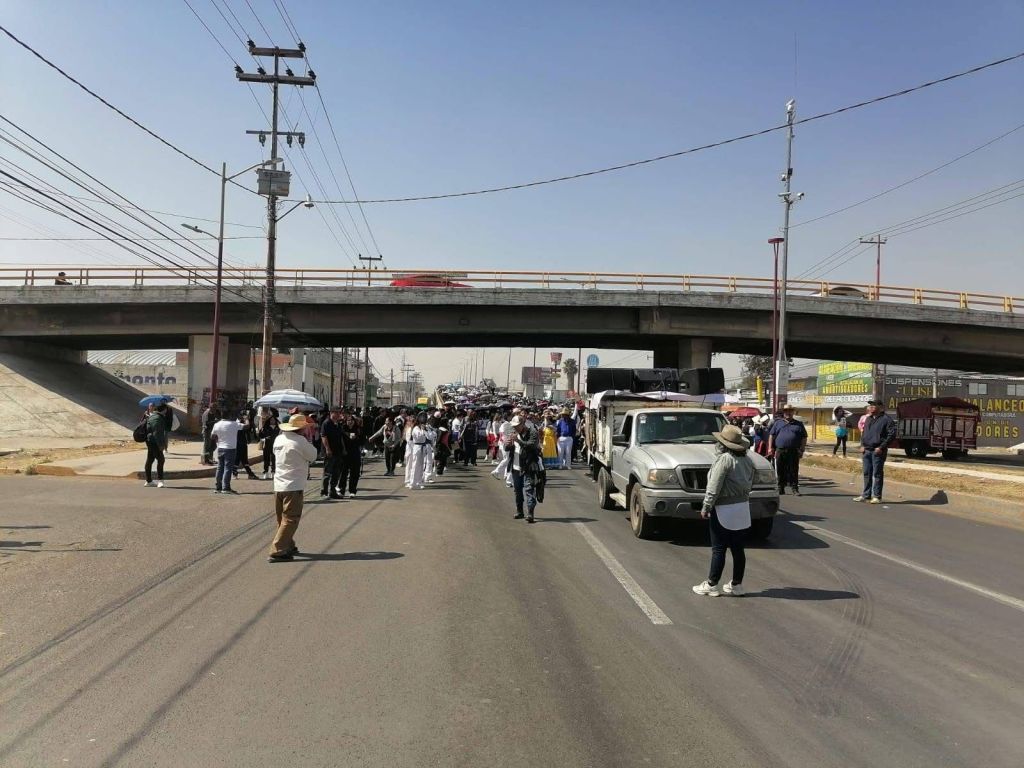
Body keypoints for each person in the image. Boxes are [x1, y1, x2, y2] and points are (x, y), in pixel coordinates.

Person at [693, 424, 755, 597]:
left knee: (718, 548)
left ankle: (712, 584)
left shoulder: (724, 459)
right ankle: (737, 584)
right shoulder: (748, 460)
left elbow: (714, 486)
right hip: (742, 508)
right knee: (738, 548)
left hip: (724, 508)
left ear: (723, 444)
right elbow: (751, 482)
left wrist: (706, 506)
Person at [268, 413, 319, 562]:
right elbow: (313, 456)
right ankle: (278, 549)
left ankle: (288, 544)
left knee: (282, 518)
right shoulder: (300, 441)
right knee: (291, 518)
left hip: (279, 484)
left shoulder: (279, 439)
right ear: (301, 428)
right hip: (293, 485)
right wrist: (309, 441)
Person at [855, 398, 898, 504]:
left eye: (874, 405)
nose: (871, 407)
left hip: (877, 451)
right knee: (866, 473)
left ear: (880, 407)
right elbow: (864, 433)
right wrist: (862, 445)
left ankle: (877, 496)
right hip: (866, 450)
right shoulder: (868, 418)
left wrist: (881, 447)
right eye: (870, 406)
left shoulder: (886, 419)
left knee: (877, 474)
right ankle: (866, 495)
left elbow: (891, 434)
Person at [767, 404, 807, 495]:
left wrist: (802, 449)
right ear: (784, 412)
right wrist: (770, 448)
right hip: (780, 450)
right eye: (786, 411)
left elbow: (804, 437)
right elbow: (771, 435)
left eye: (790, 411)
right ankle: (781, 488)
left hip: (793, 451)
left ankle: (794, 489)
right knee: (780, 470)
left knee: (793, 470)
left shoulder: (799, 424)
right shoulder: (778, 423)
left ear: (793, 412)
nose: (788, 413)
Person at [509, 416, 541, 522]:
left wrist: (518, 440)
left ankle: (530, 514)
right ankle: (520, 511)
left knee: (529, 489)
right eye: (514, 426)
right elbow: (508, 448)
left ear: (523, 424)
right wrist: (508, 444)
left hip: (528, 466)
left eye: (517, 426)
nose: (515, 428)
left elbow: (531, 445)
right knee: (517, 490)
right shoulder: (514, 434)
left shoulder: (532, 432)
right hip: (515, 466)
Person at [211, 411, 242, 494]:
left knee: (220, 468)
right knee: (228, 468)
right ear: (229, 415)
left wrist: (218, 441)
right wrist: (246, 419)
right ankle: (226, 488)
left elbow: (212, 436)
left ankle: (218, 487)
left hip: (220, 448)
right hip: (230, 448)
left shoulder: (217, 424)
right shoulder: (233, 424)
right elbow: (246, 426)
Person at [320, 406, 346, 499]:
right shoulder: (326, 423)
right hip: (330, 452)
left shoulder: (338, 424)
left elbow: (340, 437)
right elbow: (324, 436)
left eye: (340, 413)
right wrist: (327, 449)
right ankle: (324, 491)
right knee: (327, 472)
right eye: (337, 412)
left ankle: (332, 491)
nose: (339, 414)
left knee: (336, 472)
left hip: (338, 451)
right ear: (332, 413)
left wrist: (343, 449)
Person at [338, 412, 364, 497]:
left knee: (355, 473)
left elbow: (362, 441)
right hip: (345, 454)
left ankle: (352, 491)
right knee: (343, 473)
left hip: (355, 453)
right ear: (346, 421)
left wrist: (356, 438)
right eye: (348, 420)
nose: (350, 422)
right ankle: (341, 490)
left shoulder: (358, 429)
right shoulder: (342, 429)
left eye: (352, 420)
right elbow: (339, 441)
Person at [143, 403, 169, 487]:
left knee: (150, 460)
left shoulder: (154, 416)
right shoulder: (157, 418)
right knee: (161, 460)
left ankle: (148, 481)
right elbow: (157, 433)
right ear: (164, 409)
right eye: (166, 409)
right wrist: (161, 445)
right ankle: (160, 481)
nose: (166, 411)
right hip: (154, 442)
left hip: (150, 441)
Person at [407, 413, 430, 489]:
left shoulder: (423, 428)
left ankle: (419, 482)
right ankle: (412, 483)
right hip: (417, 447)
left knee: (421, 466)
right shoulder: (416, 428)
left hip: (423, 447)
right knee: (415, 465)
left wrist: (425, 430)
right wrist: (423, 430)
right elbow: (419, 436)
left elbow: (429, 436)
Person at [233, 413, 259, 480]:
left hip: (242, 442)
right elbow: (247, 426)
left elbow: (248, 430)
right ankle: (236, 473)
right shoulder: (236, 423)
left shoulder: (238, 422)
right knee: (238, 458)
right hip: (238, 443)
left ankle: (248, 473)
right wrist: (246, 419)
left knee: (243, 459)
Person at [258, 410, 280, 479]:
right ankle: (266, 472)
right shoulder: (265, 428)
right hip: (267, 445)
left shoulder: (278, 428)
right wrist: (265, 438)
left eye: (273, 420)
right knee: (266, 459)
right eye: (271, 420)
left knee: (274, 459)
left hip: (275, 445)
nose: (272, 421)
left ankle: (273, 472)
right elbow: (260, 436)